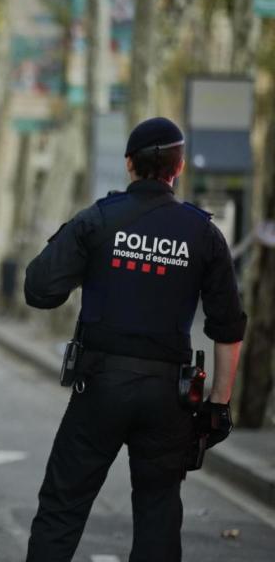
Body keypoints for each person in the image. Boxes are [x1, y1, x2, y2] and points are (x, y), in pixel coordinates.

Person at [23, 117, 246, 561]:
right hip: (169, 396)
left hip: (99, 386)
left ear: (129, 164)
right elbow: (228, 327)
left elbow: (40, 290)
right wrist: (218, 406)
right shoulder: (203, 233)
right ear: (177, 169)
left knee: (62, 507)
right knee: (158, 514)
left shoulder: (98, 220)